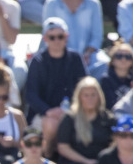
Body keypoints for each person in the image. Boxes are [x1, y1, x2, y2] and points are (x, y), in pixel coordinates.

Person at [24, 17, 86, 156]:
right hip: (43, 115)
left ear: (66, 37)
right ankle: (48, 159)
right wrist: (49, 111)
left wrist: (70, 109)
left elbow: (83, 87)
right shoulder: (38, 61)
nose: (56, 41)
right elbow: (31, 95)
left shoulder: (75, 58)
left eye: (60, 36)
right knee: (51, 124)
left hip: (72, 112)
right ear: (45, 39)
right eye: (52, 37)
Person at [43, 0, 105, 78]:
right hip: (58, 55)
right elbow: (48, 33)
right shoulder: (52, 2)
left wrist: (87, 54)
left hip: (87, 57)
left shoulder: (93, 3)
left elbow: (97, 36)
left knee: (103, 65)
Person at [56, 76, 114, 164]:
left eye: (93, 95)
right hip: (75, 163)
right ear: (79, 97)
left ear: (99, 96)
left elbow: (113, 144)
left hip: (101, 163)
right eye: (86, 95)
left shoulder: (108, 119)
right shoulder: (69, 118)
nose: (90, 99)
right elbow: (63, 147)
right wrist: (86, 161)